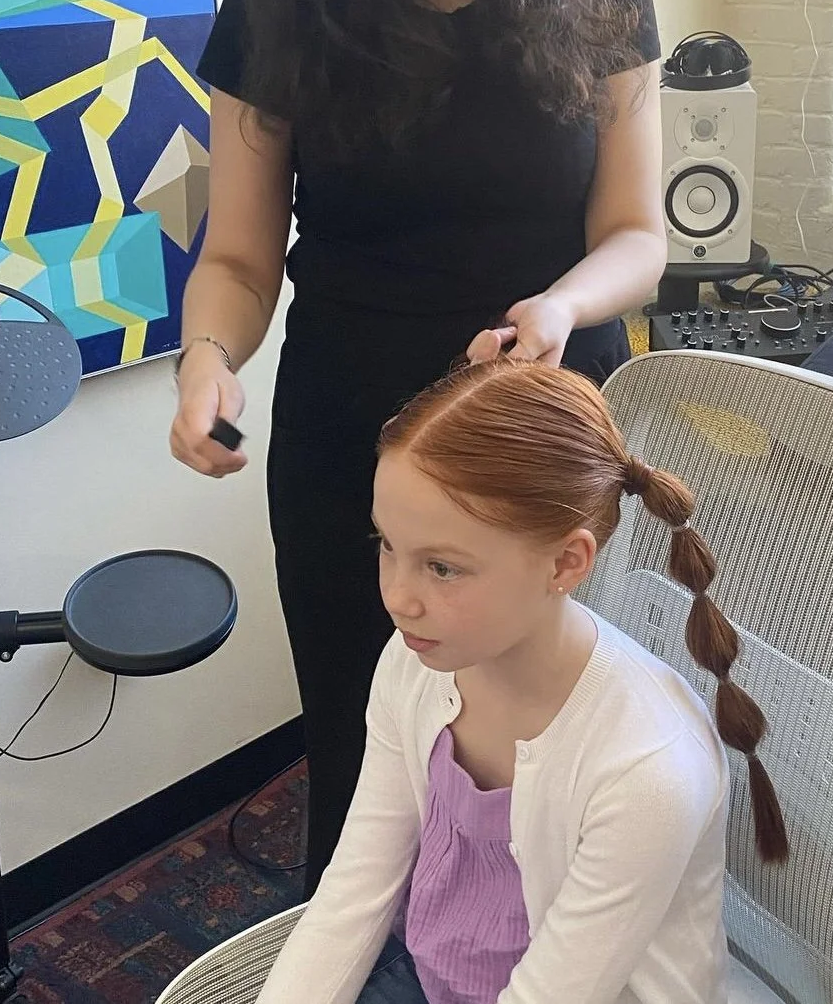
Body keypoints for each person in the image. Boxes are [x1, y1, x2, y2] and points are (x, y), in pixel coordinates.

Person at [168, 0, 668, 893]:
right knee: (372, 775)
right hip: (360, 466)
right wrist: (207, 360)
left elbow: (635, 236)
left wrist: (559, 308)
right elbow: (236, 254)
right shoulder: (279, 0)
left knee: (560, 775)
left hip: (547, 433)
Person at [254, 358, 788, 1004]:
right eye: (386, 543)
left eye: (443, 567)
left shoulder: (647, 766)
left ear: (565, 561)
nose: (397, 596)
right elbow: (357, 885)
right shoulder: (414, 660)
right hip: (441, 973)